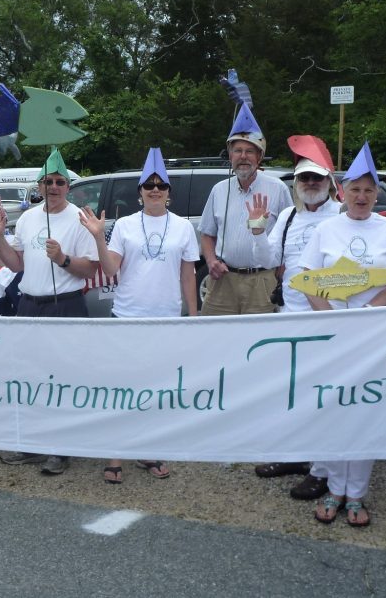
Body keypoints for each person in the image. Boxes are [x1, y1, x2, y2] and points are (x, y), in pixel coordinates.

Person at [298, 142, 386, 528]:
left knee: (364, 410)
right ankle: (334, 487)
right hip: (335, 334)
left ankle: (357, 494)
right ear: (341, 192)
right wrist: (332, 320)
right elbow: (308, 282)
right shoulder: (326, 228)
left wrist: (365, 315)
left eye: (368, 190)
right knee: (334, 408)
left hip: (376, 333)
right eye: (355, 190)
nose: (361, 197)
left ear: (376, 193)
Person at [79, 147, 199, 483]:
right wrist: (98, 238)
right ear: (140, 192)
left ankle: (148, 448)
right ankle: (116, 452)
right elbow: (110, 268)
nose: (155, 190)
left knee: (156, 388)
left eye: (161, 185)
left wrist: (192, 314)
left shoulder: (183, 228)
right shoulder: (126, 226)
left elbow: (188, 274)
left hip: (165, 319)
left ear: (169, 193)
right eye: (149, 185)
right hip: (128, 315)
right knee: (123, 385)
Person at [0, 146, 98, 475]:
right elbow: (16, 263)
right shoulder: (30, 217)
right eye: (47, 181)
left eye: (60, 182)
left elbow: (89, 270)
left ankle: (60, 447)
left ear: (68, 186)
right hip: (29, 304)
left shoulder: (79, 218)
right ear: (38, 186)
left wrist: (63, 258)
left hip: (66, 305)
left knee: (63, 376)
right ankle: (34, 443)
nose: (53, 187)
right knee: (30, 375)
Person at [248, 136, 341, 500]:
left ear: (330, 183)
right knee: (295, 394)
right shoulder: (287, 216)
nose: (310, 185)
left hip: (327, 320)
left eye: (317, 178)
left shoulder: (343, 216)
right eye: (304, 179)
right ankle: (296, 456)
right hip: (290, 316)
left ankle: (324, 471)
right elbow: (268, 259)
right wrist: (256, 231)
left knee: (324, 397)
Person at [198, 104, 291, 316]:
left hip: (263, 280)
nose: (243, 156)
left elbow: (289, 234)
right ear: (230, 156)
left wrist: (282, 270)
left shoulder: (277, 189)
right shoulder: (219, 190)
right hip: (223, 280)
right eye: (237, 150)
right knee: (217, 339)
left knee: (260, 342)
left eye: (249, 151)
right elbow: (206, 235)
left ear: (259, 157)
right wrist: (211, 260)